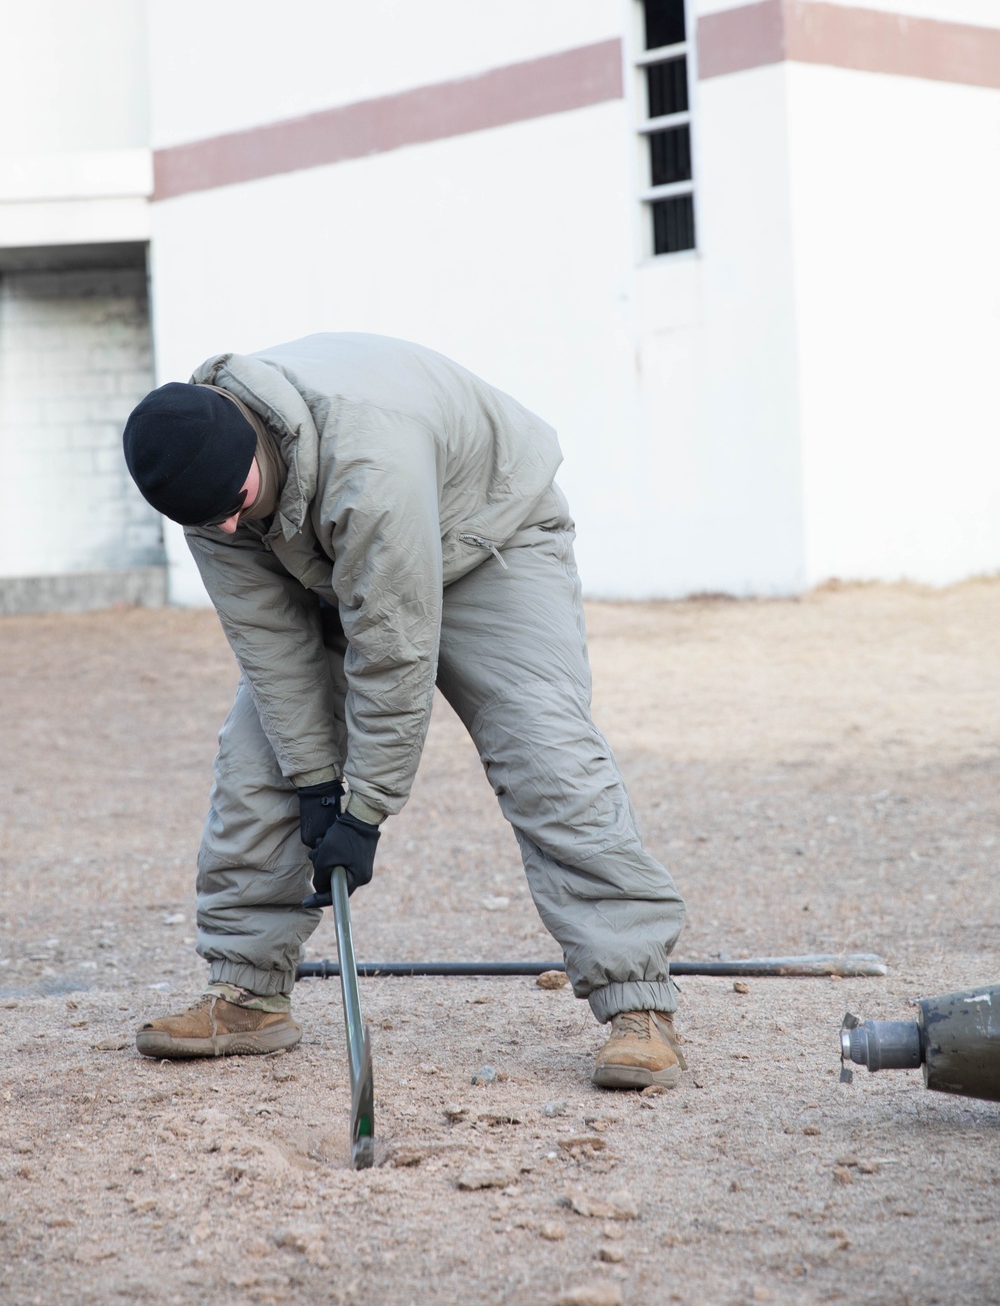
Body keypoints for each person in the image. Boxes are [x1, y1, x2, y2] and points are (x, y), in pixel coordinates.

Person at [122, 333, 687, 1088]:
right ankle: (247, 992)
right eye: (207, 521)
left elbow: (394, 651)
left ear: (252, 450)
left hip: (489, 537)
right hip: (333, 560)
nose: (225, 528)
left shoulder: (367, 459)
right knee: (258, 761)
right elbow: (274, 652)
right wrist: (317, 782)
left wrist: (363, 812)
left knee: (543, 751)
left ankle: (638, 1003)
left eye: (236, 507)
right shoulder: (206, 486)